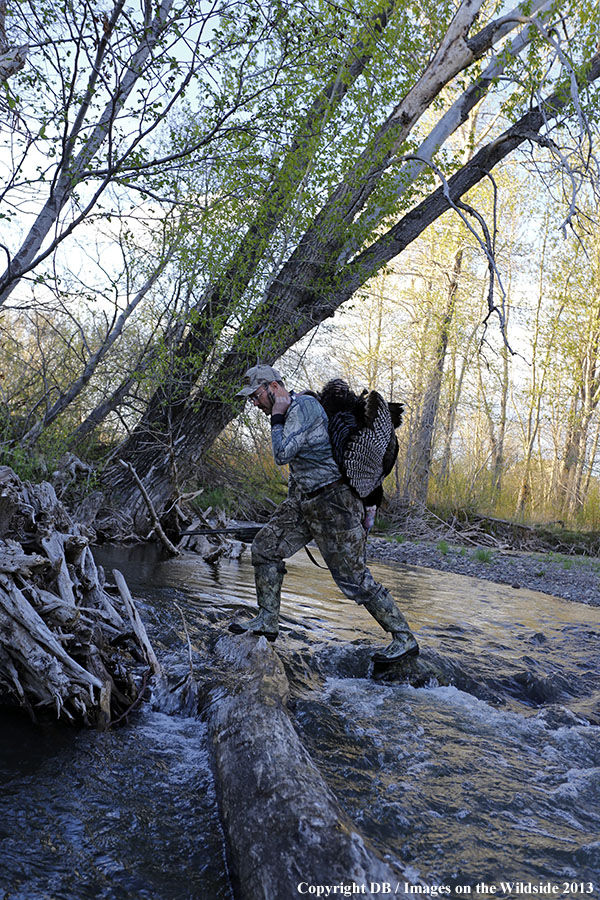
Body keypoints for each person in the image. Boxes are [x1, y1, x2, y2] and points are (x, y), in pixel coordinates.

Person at [229, 364, 419, 663]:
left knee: (354, 580)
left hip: (335, 504)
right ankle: (267, 621)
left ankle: (404, 638)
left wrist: (276, 417)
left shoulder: (302, 408)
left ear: (275, 387)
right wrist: (289, 507)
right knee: (264, 547)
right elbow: (298, 467)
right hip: (306, 501)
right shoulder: (292, 411)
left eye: (256, 395)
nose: (253, 403)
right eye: (251, 398)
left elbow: (282, 455)